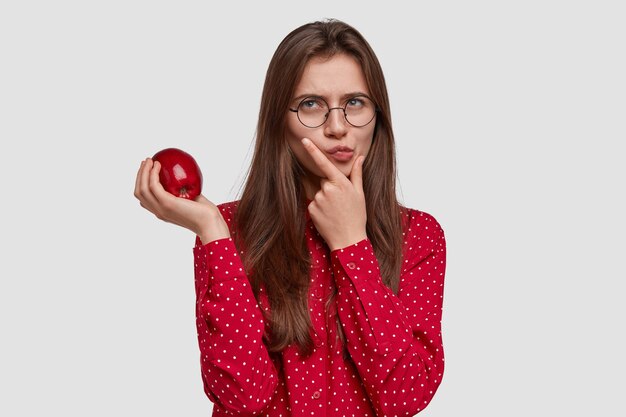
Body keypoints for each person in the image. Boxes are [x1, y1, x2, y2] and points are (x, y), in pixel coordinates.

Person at [134, 18, 447, 417]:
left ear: (378, 116)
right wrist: (212, 231)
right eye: (311, 105)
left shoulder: (419, 236)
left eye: (355, 103)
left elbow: (405, 396)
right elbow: (242, 396)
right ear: (279, 121)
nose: (337, 128)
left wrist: (352, 244)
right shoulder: (229, 232)